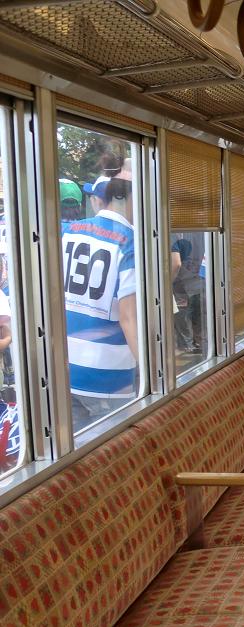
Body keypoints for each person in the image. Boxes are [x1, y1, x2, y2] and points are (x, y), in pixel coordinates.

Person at [62, 171, 138, 432]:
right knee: (115, 445)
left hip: (66, 368)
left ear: (98, 200)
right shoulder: (131, 242)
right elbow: (129, 318)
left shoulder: (68, 232)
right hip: (109, 378)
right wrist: (155, 372)